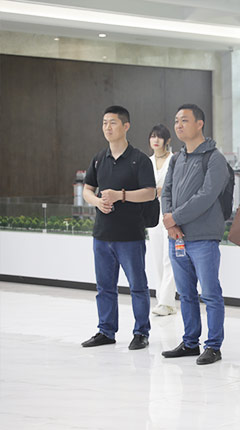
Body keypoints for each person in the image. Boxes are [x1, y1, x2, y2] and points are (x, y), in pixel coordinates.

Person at [81, 105, 156, 350]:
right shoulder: (98, 158)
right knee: (104, 287)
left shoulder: (139, 159)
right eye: (104, 123)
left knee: (138, 286)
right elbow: (87, 189)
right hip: (102, 235)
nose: (107, 127)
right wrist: (97, 202)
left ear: (126, 126)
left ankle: (141, 332)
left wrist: (120, 195)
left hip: (130, 235)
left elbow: (150, 193)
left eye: (112, 123)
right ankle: (106, 331)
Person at [160, 104, 230, 365]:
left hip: (203, 238)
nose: (178, 125)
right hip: (177, 238)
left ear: (200, 124)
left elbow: (207, 195)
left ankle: (213, 346)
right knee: (186, 294)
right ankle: (190, 342)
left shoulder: (214, 158)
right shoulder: (176, 158)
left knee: (210, 294)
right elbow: (166, 192)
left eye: (185, 120)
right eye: (176, 121)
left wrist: (175, 218)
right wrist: (170, 223)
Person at [147, 124, 177, 317]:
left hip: (170, 212)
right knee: (157, 257)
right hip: (151, 214)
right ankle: (162, 301)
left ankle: (167, 301)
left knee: (169, 257)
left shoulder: (174, 160)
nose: (155, 140)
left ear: (167, 140)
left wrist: (162, 191)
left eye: (159, 137)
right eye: (152, 136)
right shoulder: (147, 161)